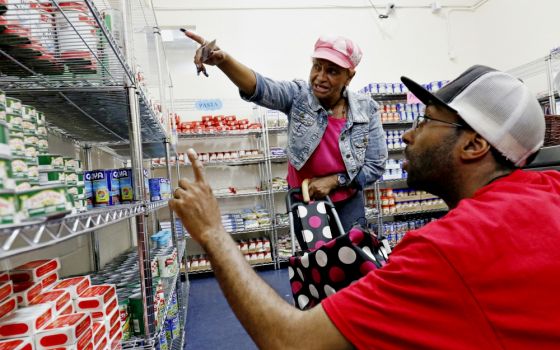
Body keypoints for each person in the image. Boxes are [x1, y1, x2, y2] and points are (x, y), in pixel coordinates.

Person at [170, 65, 560, 349]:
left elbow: (289, 342)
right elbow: (262, 87)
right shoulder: (550, 188)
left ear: (474, 145)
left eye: (425, 122)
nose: (407, 134)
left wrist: (212, 233)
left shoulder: (450, 249)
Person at [183, 31, 388, 232]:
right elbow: (261, 87)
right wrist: (223, 60)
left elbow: (375, 166)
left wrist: (335, 181)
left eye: (332, 71)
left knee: (353, 260)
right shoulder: (299, 96)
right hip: (306, 201)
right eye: (317, 66)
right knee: (316, 262)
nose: (320, 77)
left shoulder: (366, 109)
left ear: (349, 76)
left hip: (348, 204)